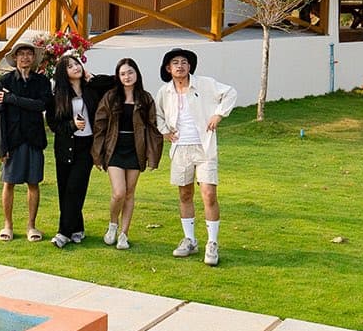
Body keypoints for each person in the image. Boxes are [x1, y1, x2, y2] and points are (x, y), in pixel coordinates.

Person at [155, 46, 236, 266]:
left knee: (208, 194)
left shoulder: (205, 84)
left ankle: (212, 243)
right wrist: (165, 131)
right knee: (185, 194)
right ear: (168, 69)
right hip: (180, 149)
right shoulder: (165, 91)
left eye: (183, 62)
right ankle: (190, 240)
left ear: (189, 66)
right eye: (175, 63)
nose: (180, 66)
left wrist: (218, 115)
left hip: (205, 146)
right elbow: (158, 115)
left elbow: (230, 93)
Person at [92, 56, 159, 250]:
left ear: (137, 74)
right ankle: (113, 225)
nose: (127, 77)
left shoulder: (145, 98)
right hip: (114, 147)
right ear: (118, 77)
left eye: (130, 72)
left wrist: (152, 156)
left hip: (135, 149)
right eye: (122, 74)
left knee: (130, 193)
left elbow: (153, 127)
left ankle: (124, 234)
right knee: (119, 192)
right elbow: (100, 125)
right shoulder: (111, 97)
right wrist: (97, 153)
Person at [47, 55, 111, 247]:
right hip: (65, 147)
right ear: (63, 73)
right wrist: (72, 125)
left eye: (77, 64)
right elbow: (53, 124)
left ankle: (63, 233)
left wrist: (92, 78)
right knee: (65, 190)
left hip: (87, 148)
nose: (76, 67)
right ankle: (77, 228)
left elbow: (113, 82)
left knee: (76, 188)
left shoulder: (91, 90)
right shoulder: (57, 95)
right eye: (70, 66)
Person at [0, 37, 51, 241]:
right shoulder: (4, 82)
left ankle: (31, 226)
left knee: (33, 183)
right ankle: (7, 225)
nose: (25, 57)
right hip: (12, 140)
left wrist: (13, 99)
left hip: (34, 139)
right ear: (15, 57)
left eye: (29, 54)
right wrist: (1, 146)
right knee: (8, 183)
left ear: (33, 58)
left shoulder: (42, 82)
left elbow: (41, 105)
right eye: (21, 53)